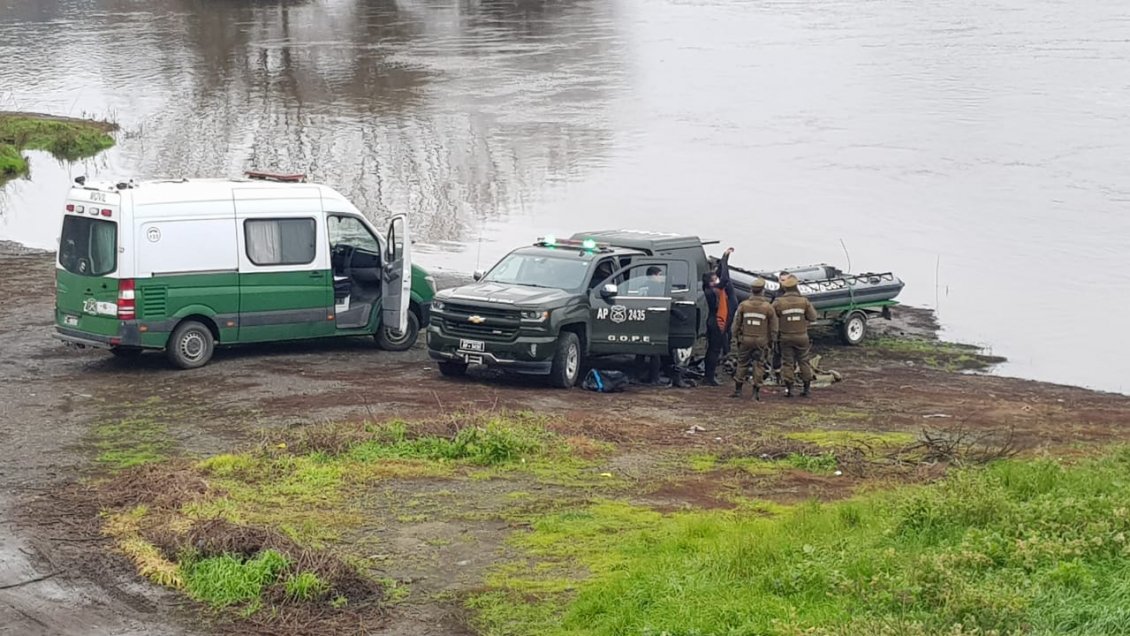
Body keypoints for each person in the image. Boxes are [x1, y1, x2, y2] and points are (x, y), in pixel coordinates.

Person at [730, 277, 778, 400]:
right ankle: (755, 393)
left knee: (742, 364)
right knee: (759, 365)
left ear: (751, 291)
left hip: (745, 339)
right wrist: (772, 341)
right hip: (761, 341)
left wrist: (735, 336)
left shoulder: (743, 305)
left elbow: (736, 323)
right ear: (762, 291)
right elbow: (773, 327)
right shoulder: (768, 307)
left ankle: (738, 390)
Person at [772, 275, 818, 397]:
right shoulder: (804, 301)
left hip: (785, 337)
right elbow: (813, 317)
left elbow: (771, 318)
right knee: (804, 361)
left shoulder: (778, 302)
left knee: (787, 362)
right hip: (802, 336)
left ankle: (789, 389)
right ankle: (807, 389)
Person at [702, 247, 738, 386]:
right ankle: (709, 377)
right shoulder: (715, 290)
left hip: (712, 321)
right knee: (714, 349)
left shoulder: (710, 288)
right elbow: (725, 278)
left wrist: (724, 260)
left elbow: (719, 276)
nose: (717, 279)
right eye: (714, 279)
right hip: (717, 322)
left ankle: (708, 375)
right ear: (712, 283)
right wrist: (724, 259)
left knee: (712, 348)